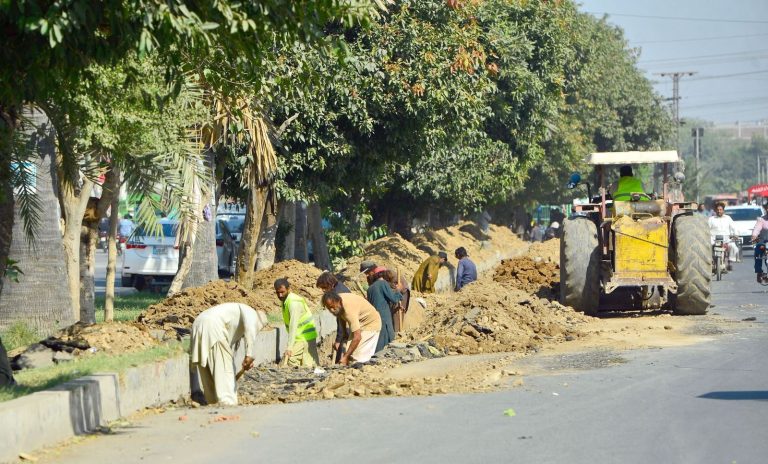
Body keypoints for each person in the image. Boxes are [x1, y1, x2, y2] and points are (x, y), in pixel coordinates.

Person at [190, 303, 267, 405]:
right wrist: (249, 355)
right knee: (226, 371)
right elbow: (251, 330)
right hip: (213, 326)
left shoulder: (237, 314)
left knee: (208, 370)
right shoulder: (252, 315)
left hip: (197, 324)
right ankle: (228, 404)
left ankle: (212, 401)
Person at [321, 291, 382, 365]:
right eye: (329, 308)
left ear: (339, 301)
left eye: (332, 307)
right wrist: (344, 333)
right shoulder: (337, 301)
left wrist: (345, 357)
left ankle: (361, 372)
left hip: (371, 324)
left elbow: (357, 337)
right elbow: (340, 316)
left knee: (358, 356)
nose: (331, 310)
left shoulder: (349, 311)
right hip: (360, 322)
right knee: (350, 351)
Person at [274, 278, 319, 368]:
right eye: (277, 292)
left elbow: (293, 325)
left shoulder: (293, 303)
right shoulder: (287, 300)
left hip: (305, 336)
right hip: (300, 336)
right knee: (306, 364)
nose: (280, 295)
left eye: (282, 292)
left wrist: (289, 347)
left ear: (288, 289)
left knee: (295, 361)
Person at [316, 271, 351, 362]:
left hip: (352, 325)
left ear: (330, 284)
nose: (323, 290)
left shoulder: (338, 294)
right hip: (348, 326)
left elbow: (340, 319)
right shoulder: (338, 286)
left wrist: (338, 340)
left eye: (324, 287)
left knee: (342, 353)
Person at [366, 266, 403, 352]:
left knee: (378, 337)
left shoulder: (370, 288)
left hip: (375, 316)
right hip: (384, 316)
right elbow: (394, 298)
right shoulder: (382, 283)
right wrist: (398, 290)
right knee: (386, 337)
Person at [708, 202, 739, 271]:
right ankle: (711, 262)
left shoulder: (728, 218)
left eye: (720, 209)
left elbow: (734, 227)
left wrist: (736, 234)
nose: (719, 211)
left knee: (734, 247)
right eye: (717, 210)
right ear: (715, 210)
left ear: (723, 210)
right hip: (714, 239)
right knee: (708, 247)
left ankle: (730, 262)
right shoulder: (711, 219)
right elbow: (707, 229)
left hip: (726, 239)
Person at [751, 202, 768, 282]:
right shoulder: (761, 219)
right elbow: (757, 229)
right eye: (767, 208)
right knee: (758, 250)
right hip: (764, 242)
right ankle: (759, 271)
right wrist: (754, 236)